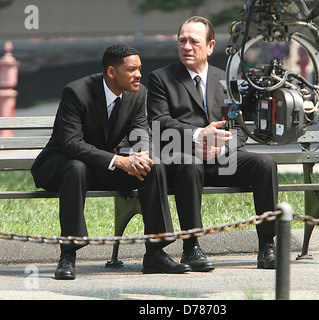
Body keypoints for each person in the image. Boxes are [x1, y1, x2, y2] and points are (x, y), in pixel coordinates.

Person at [31, 44, 191, 279]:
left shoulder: (138, 93)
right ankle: (68, 253)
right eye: (132, 69)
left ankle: (156, 253)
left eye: (140, 68)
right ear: (112, 72)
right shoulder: (76, 92)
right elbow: (71, 144)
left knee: (152, 167)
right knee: (77, 167)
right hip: (62, 165)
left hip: (102, 167)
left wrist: (143, 155)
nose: (139, 74)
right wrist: (119, 160)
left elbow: (140, 131)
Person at [147, 16, 278, 270]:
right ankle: (191, 248)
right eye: (181, 41)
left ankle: (266, 246)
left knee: (265, 164)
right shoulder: (161, 79)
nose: (186, 46)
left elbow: (240, 127)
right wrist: (198, 136)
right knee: (190, 165)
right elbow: (159, 123)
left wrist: (222, 147)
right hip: (183, 158)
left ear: (210, 46)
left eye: (194, 41)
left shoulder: (226, 78)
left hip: (222, 158)